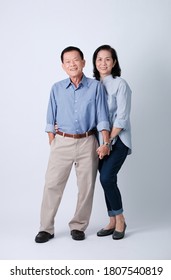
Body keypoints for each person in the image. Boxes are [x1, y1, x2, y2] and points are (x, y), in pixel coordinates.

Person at [35, 46, 110, 243]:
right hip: (62, 142)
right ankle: (46, 228)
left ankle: (78, 226)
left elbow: (102, 117)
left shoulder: (95, 87)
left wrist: (106, 142)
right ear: (63, 66)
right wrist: (54, 142)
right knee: (52, 185)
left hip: (87, 142)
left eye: (76, 60)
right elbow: (50, 120)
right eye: (68, 61)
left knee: (86, 187)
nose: (72, 64)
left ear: (83, 63)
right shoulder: (56, 88)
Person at [92, 45, 132, 240]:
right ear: (94, 62)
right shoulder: (92, 86)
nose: (103, 63)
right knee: (107, 180)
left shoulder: (120, 84)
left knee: (106, 178)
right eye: (99, 59)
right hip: (99, 144)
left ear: (114, 62)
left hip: (118, 141)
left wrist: (108, 143)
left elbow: (122, 119)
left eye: (107, 59)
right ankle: (112, 220)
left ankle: (121, 219)